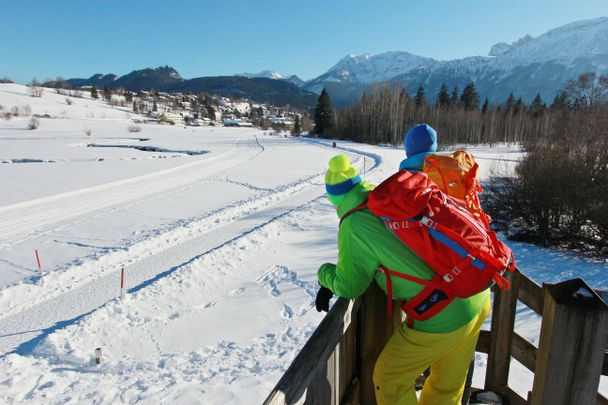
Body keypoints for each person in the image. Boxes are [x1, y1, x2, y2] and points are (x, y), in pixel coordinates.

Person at [316, 153, 490, 405]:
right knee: (445, 388)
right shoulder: (385, 199)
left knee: (389, 378)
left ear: (334, 198)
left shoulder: (354, 224)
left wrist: (324, 274)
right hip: (475, 293)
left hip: (444, 313)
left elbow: (349, 285)